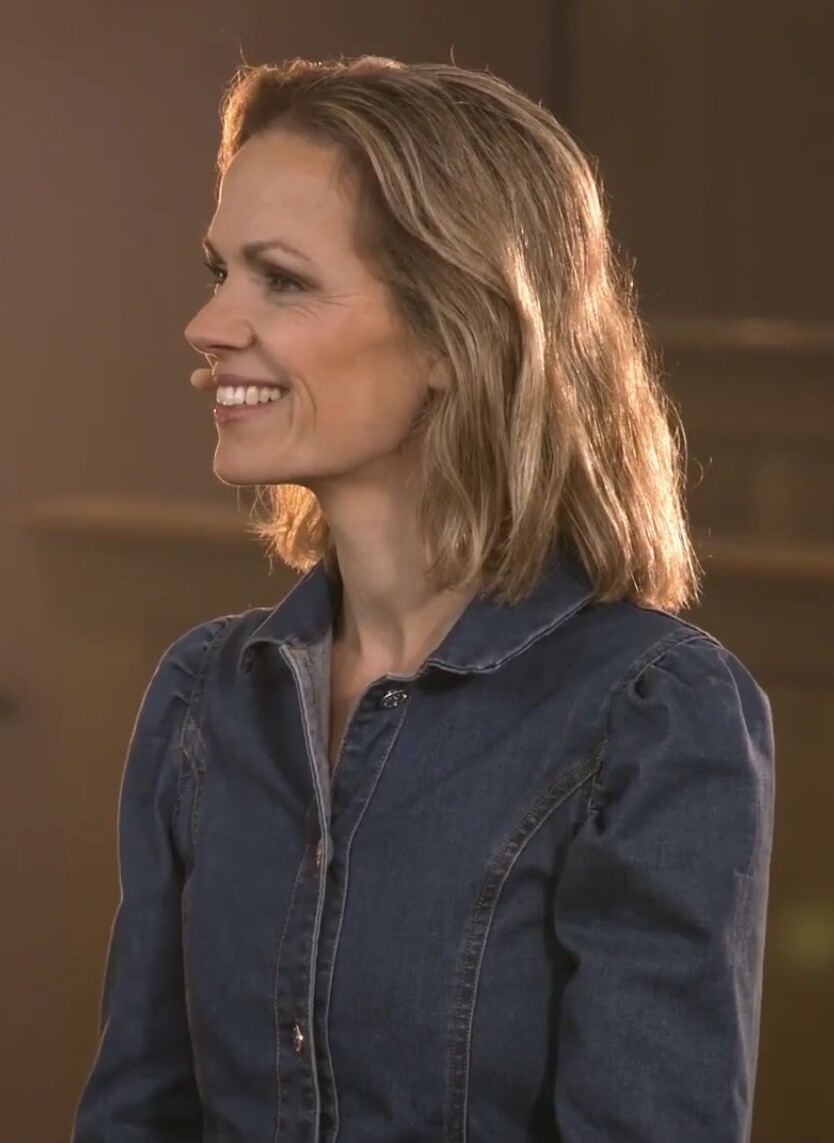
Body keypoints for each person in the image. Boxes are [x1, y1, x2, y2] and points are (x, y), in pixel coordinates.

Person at [72, 55, 774, 1143]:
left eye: (281, 280)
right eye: (219, 272)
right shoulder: (203, 697)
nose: (208, 325)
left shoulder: (651, 715)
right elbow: (135, 1115)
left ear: (455, 332)